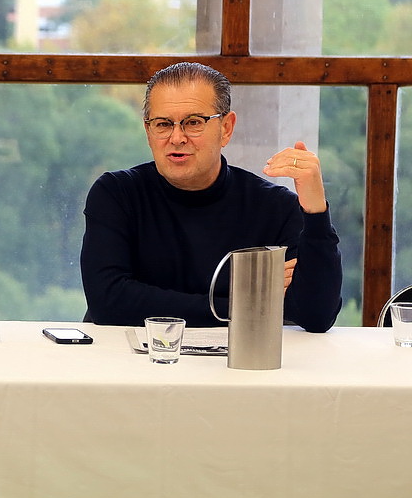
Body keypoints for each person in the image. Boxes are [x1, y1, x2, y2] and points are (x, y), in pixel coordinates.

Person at [80, 62, 342, 332]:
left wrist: (315, 211)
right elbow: (109, 302)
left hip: (238, 368)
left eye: (194, 123)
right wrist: (251, 301)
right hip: (128, 365)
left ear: (226, 128)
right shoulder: (116, 194)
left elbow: (316, 315)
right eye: (163, 124)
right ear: (148, 131)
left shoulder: (276, 207)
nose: (177, 137)